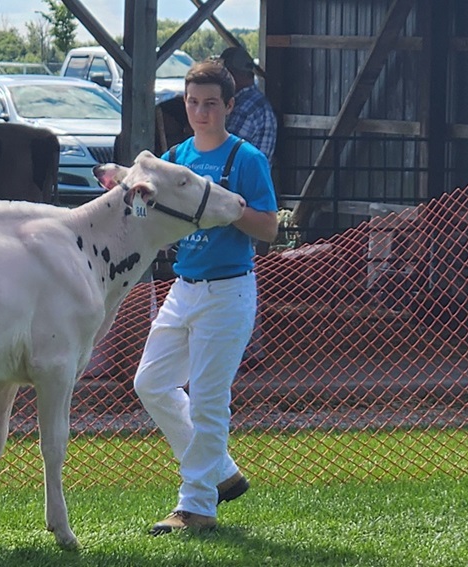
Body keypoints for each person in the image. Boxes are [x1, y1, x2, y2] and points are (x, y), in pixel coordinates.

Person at [136, 59, 278, 535]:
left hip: (228, 289)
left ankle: (196, 507)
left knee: (208, 401)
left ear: (229, 106)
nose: (200, 112)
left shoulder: (246, 159)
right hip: (182, 286)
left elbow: (269, 227)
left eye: (211, 104)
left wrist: (227, 207)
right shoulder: (177, 156)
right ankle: (221, 473)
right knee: (150, 383)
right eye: (193, 103)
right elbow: (145, 213)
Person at [220, 45, 279, 370]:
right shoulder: (255, 106)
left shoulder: (245, 109)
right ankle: (245, 348)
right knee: (242, 271)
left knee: (240, 270)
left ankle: (244, 349)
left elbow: (226, 150)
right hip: (244, 198)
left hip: (240, 199)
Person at [220, 46, 277, 162]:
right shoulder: (256, 102)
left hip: (239, 178)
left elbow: (224, 150)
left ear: (232, 74)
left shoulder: (243, 108)